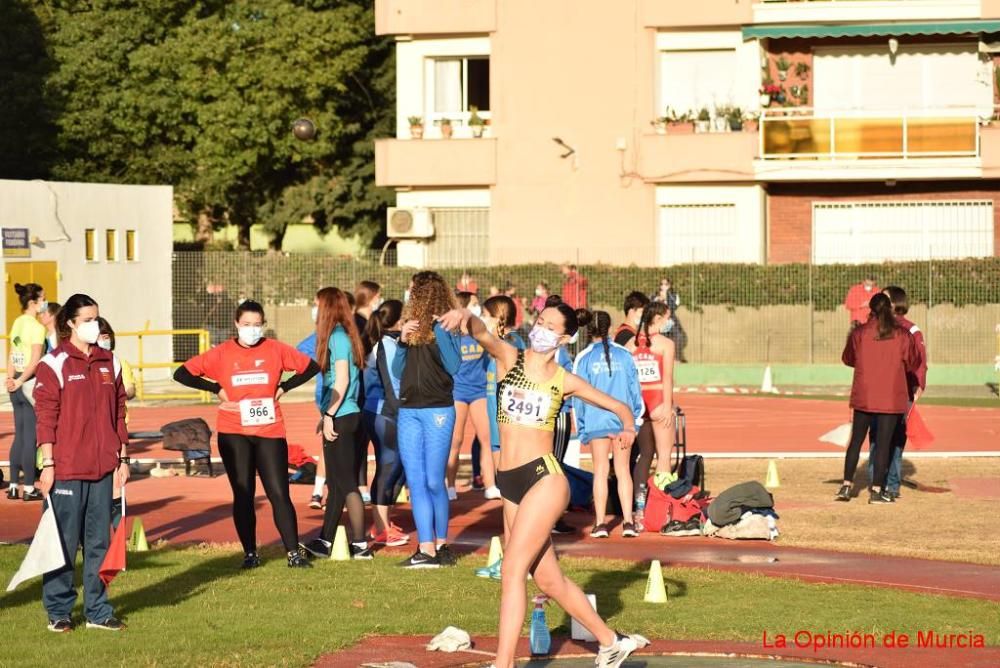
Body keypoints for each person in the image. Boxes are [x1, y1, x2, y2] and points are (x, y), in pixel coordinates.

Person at [436, 302, 648, 668]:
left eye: (551, 326)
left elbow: (619, 406)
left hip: (544, 478)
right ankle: (611, 642)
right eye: (540, 321)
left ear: (565, 338)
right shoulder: (510, 359)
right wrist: (463, 316)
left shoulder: (564, 380)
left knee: (511, 570)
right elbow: (482, 332)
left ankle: (503, 663)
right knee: (549, 581)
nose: (541, 329)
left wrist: (628, 427)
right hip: (510, 485)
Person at [174, 300, 319, 568]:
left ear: (263, 325)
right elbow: (181, 373)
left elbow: (311, 367)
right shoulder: (221, 353)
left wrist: (284, 387)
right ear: (237, 324)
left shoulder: (275, 349)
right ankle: (250, 554)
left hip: (270, 430)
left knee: (278, 492)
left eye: (257, 325)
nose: (252, 330)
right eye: (247, 325)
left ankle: (293, 554)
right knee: (244, 494)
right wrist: (215, 388)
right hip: (234, 431)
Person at [34, 293, 130, 632]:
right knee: (62, 543)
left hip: (104, 469)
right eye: (88, 320)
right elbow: (45, 417)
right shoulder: (54, 363)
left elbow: (119, 412)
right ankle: (59, 611)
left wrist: (123, 457)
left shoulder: (110, 362)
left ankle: (98, 611)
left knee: (98, 544)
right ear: (70, 323)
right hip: (67, 469)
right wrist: (48, 464)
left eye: (97, 319)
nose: (95, 325)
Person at [392, 271, 462, 568]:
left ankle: (442, 544)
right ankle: (426, 547)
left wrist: (441, 334)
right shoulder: (410, 329)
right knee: (416, 481)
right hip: (409, 410)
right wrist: (403, 341)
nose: (409, 295)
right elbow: (397, 371)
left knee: (435, 480)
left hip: (437, 410)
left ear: (423, 293)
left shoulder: (443, 326)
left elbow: (454, 365)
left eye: (412, 290)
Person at [300, 287, 374, 560]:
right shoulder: (337, 336)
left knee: (346, 483)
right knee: (336, 482)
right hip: (340, 413)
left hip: (343, 415)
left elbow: (341, 380)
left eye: (317, 304)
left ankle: (360, 544)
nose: (315, 309)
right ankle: (325, 540)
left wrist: (329, 414)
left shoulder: (339, 338)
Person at [837, 293, 919, 504]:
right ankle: (876, 491)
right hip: (890, 396)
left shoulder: (860, 333)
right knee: (883, 444)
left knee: (856, 441)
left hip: (864, 393)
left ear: (870, 309)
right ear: (890, 308)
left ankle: (846, 486)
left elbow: (848, 358)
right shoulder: (902, 334)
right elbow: (912, 361)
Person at [572, 310, 644, 538]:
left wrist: (582, 428)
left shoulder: (583, 358)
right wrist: (634, 422)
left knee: (600, 471)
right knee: (623, 471)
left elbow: (577, 397)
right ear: (610, 329)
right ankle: (629, 522)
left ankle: (600, 523)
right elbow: (635, 391)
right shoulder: (625, 355)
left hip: (595, 422)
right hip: (623, 423)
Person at [867, 286, 927, 500]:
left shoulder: (911, 331)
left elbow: (919, 361)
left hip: (901, 394)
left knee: (896, 440)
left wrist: (919, 384)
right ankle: (876, 482)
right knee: (875, 437)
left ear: (895, 303)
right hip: (876, 393)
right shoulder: (874, 328)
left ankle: (891, 484)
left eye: (885, 298)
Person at [362, 299, 410, 547]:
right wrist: (402, 415)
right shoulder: (387, 345)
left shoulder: (389, 342)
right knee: (389, 466)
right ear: (398, 320)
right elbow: (393, 386)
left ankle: (382, 522)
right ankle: (381, 528)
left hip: (383, 410)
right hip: (384, 412)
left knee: (397, 466)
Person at [446, 292, 500, 500]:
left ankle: (490, 485)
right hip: (458, 391)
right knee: (455, 441)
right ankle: (450, 486)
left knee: (486, 439)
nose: (478, 308)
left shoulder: (480, 330)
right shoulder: (450, 334)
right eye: (475, 304)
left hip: (480, 390)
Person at [631, 302, 676, 528]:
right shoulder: (665, 343)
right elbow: (667, 378)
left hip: (639, 405)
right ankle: (660, 510)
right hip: (658, 401)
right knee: (664, 458)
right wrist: (668, 406)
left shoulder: (631, 344)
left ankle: (640, 509)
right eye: (667, 318)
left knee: (644, 457)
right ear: (658, 319)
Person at [6, 282, 48, 502]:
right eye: (43, 299)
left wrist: (10, 378)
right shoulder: (36, 327)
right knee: (30, 437)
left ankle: (14, 485)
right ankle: (30, 487)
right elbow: (35, 359)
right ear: (33, 302)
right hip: (29, 382)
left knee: (19, 435)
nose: (45, 302)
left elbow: (13, 353)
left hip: (16, 383)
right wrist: (22, 380)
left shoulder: (17, 323)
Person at [97, 318, 137, 530]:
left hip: (117, 428)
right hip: (97, 431)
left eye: (107, 336)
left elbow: (129, 389)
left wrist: (119, 391)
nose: (104, 340)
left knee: (116, 480)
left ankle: (117, 528)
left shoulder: (119, 363)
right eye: (100, 336)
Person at [354, 280, 382, 352]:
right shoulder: (357, 322)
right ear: (369, 297)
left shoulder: (371, 319)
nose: (379, 300)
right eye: (378, 297)